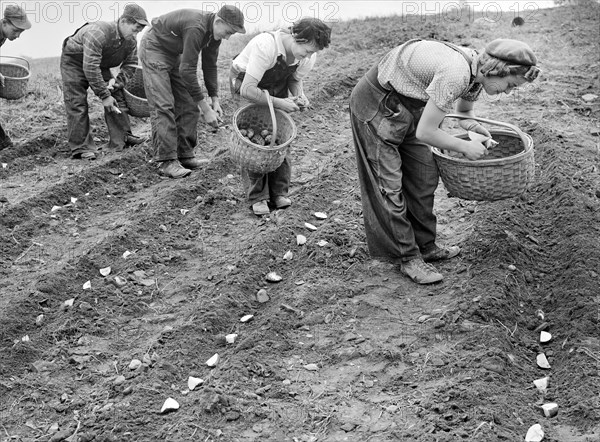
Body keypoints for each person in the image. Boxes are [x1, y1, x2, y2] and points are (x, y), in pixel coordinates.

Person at [349, 38, 540, 284]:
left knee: (424, 174)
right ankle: (406, 257)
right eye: (510, 84)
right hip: (379, 103)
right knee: (388, 185)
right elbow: (427, 133)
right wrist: (463, 147)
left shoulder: (476, 73)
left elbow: (463, 113)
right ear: (497, 70)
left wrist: (475, 128)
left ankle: (425, 245)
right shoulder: (455, 72)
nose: (508, 91)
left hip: (411, 104)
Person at [230, 17, 332, 216]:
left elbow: (294, 79)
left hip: (276, 82)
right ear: (296, 37)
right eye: (308, 50)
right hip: (247, 83)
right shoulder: (265, 46)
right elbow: (247, 89)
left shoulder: (307, 56)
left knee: (280, 137)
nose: (308, 56)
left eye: (313, 52)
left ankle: (279, 192)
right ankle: (258, 196)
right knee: (255, 140)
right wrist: (279, 103)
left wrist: (299, 96)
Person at [139, 5, 246, 179]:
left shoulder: (213, 33)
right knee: (164, 104)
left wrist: (215, 100)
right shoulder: (196, 27)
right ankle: (166, 162)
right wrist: (205, 109)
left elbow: (210, 65)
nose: (227, 37)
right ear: (218, 21)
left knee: (188, 103)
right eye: (228, 32)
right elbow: (187, 71)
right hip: (155, 48)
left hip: (174, 52)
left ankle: (185, 155)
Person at [60, 3, 148, 160]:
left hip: (98, 63)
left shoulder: (130, 41)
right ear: (123, 21)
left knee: (117, 94)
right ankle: (82, 147)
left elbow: (131, 64)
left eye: (140, 30)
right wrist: (104, 95)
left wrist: (117, 83)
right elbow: (90, 67)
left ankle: (122, 137)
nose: (137, 33)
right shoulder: (98, 32)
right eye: (136, 28)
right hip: (74, 62)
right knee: (77, 102)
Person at [0, 5, 31, 150]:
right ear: (4, 23)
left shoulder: (2, 36)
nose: (18, 35)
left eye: (21, 32)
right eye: (16, 31)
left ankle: (3, 143)